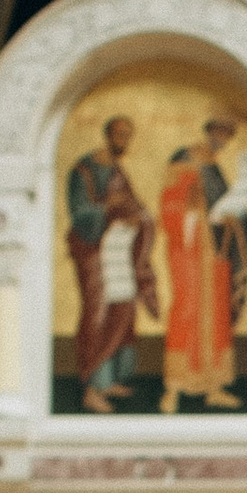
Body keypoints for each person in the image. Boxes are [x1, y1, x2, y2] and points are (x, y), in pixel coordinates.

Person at [160, 116, 247, 410]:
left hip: (215, 252)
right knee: (186, 309)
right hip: (189, 248)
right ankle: (174, 388)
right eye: (219, 132)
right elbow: (169, 200)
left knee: (216, 314)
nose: (221, 140)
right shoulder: (185, 158)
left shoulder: (214, 167)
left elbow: (226, 206)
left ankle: (214, 385)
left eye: (227, 135)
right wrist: (190, 207)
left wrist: (234, 219)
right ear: (209, 130)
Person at [65, 114, 156, 410]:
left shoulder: (118, 170)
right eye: (120, 134)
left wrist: (139, 218)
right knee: (98, 313)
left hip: (118, 249)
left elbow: (133, 204)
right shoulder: (84, 170)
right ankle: (92, 388)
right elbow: (80, 214)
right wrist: (107, 209)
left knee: (123, 308)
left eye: (128, 135)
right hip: (93, 252)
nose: (124, 141)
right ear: (107, 135)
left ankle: (109, 380)